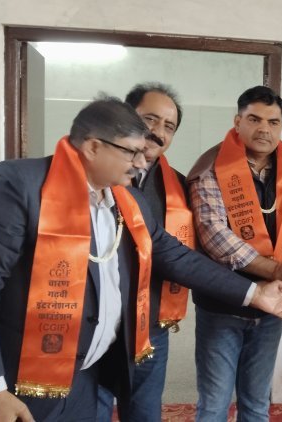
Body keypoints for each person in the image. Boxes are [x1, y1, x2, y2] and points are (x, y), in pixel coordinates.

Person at [0, 97, 282, 422]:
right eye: (132, 152)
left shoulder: (127, 201)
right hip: (15, 386)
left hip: (86, 381)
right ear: (93, 147)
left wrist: (255, 293)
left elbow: (176, 257)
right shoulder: (22, 184)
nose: (141, 162)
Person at [186, 85, 282, 422]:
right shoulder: (211, 167)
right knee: (214, 404)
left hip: (274, 306)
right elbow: (214, 237)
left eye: (273, 122)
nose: (265, 129)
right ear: (238, 121)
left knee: (257, 403)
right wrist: (278, 270)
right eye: (255, 119)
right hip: (223, 303)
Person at [96, 82, 188, 421]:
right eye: (150, 119)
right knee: (92, 410)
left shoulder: (179, 185)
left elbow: (179, 255)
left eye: (169, 126)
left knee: (145, 412)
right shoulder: (93, 176)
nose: (158, 132)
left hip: (150, 324)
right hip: (96, 321)